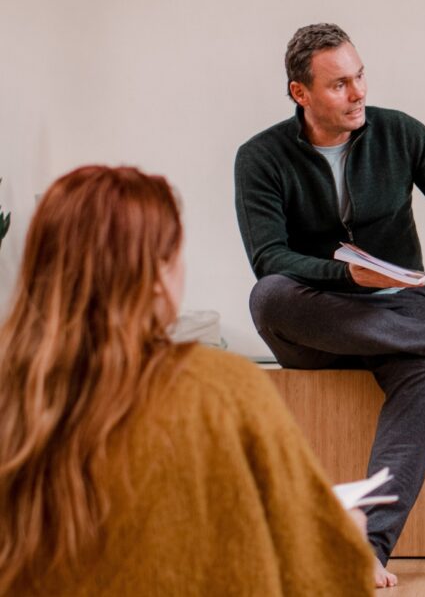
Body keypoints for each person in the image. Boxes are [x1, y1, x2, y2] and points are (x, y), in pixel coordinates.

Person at [234, 23, 425, 588]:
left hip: (400, 311)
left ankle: (369, 546)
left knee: (421, 372)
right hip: (320, 319)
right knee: (268, 297)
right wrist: (347, 274)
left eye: (360, 75)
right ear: (302, 93)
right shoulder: (260, 157)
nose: (359, 92)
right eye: (340, 84)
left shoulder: (396, 132)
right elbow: (269, 259)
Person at [0, 166, 376, 596]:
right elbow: (315, 576)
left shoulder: (14, 400)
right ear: (159, 276)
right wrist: (346, 535)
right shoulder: (224, 390)